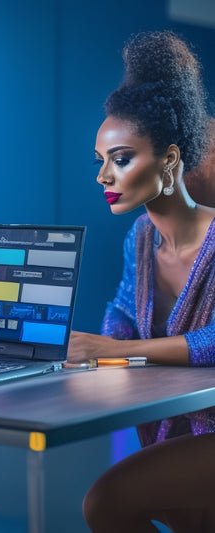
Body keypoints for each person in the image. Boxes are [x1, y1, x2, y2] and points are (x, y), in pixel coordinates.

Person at [67, 31, 215, 532]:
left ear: (169, 160)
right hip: (180, 426)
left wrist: (116, 350)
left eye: (121, 158)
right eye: (101, 161)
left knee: (106, 501)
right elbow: (124, 314)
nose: (104, 176)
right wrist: (82, 348)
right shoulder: (139, 237)